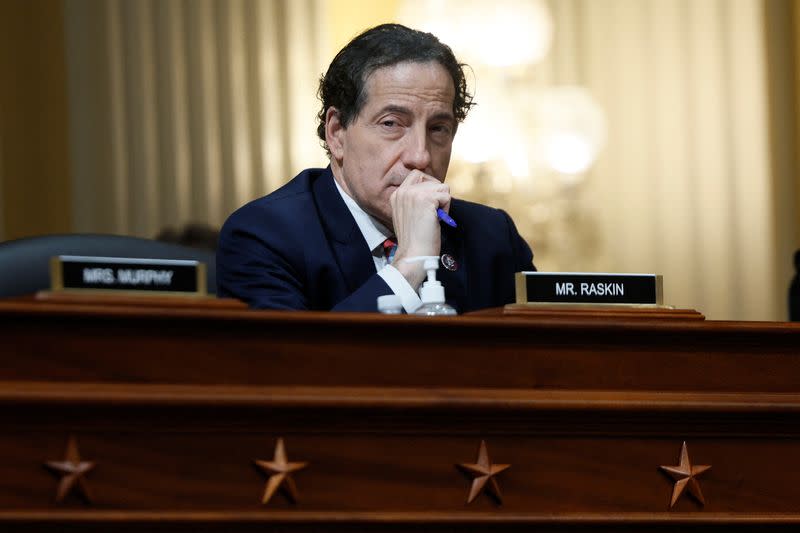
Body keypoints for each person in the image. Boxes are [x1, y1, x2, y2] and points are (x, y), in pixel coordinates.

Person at [217, 23, 534, 312]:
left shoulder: (492, 237)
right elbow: (295, 365)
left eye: (438, 128)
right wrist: (410, 263)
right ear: (337, 132)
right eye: (392, 124)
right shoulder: (264, 235)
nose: (420, 157)